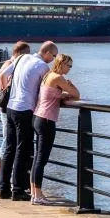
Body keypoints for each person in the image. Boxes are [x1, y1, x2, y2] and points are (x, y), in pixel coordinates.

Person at [0, 41, 58, 201]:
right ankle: (17, 190)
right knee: (21, 150)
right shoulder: (43, 67)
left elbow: (3, 74)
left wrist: (8, 92)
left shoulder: (22, 58)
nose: (53, 59)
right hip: (25, 110)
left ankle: (3, 189)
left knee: (10, 148)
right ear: (47, 53)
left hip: (10, 107)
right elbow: (45, 90)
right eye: (53, 56)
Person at [31, 54, 79, 204]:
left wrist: (61, 94)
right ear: (62, 64)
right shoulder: (59, 78)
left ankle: (35, 194)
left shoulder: (48, 75)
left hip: (37, 117)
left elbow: (51, 94)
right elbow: (77, 95)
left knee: (37, 158)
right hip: (46, 120)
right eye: (69, 66)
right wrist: (70, 86)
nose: (70, 68)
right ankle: (38, 196)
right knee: (41, 159)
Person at [0, 41, 31, 191]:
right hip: (7, 107)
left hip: (6, 107)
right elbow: (2, 74)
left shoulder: (12, 62)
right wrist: (5, 89)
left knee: (7, 142)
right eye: (28, 52)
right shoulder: (12, 62)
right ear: (22, 52)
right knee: (7, 143)